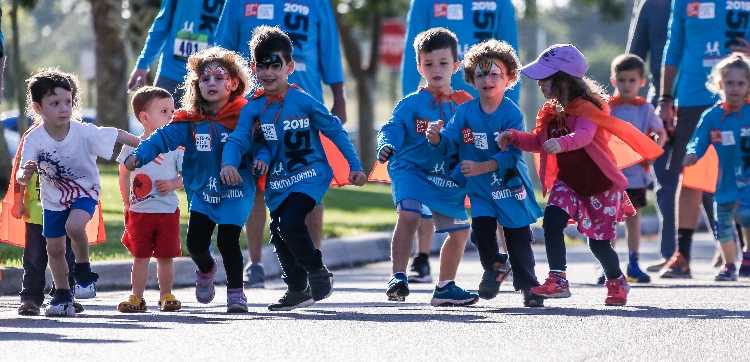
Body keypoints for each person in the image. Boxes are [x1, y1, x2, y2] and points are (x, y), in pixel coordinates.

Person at [497, 44, 663, 306]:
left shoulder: (588, 107)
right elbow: (539, 141)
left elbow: (583, 136)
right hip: (569, 184)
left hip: (600, 185)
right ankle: (558, 279)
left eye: (546, 78)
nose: (540, 83)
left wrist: (562, 143)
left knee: (598, 245)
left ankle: (616, 280)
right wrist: (515, 138)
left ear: (563, 79)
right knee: (551, 222)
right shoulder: (553, 113)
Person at [221, 25, 366, 311]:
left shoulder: (303, 100)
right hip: (279, 181)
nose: (268, 73)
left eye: (276, 65)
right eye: (262, 66)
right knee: (277, 230)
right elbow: (240, 138)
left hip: (311, 174)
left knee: (290, 223)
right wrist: (228, 161)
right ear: (253, 68)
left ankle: (318, 271)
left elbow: (335, 131)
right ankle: (297, 288)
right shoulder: (254, 107)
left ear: (290, 66)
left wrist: (355, 166)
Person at [125, 46, 270, 313]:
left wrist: (262, 158)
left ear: (234, 83)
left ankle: (236, 293)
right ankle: (206, 268)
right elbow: (161, 138)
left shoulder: (246, 116)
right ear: (197, 85)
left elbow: (261, 142)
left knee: (228, 241)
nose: (211, 82)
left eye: (219, 77)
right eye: (205, 78)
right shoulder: (190, 120)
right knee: (196, 245)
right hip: (202, 192)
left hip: (237, 191)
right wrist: (139, 155)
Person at [401, 0, 521, 276]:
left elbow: (510, 56)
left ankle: (510, 254)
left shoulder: (501, 3)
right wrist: (410, 103)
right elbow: (412, 58)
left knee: (495, 177)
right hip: (435, 104)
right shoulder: (425, 3)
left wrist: (506, 112)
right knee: (431, 172)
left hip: (487, 104)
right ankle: (421, 257)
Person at [427, 39, 545, 307]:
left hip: (510, 188)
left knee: (518, 241)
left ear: (509, 78)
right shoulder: (466, 111)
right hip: (480, 190)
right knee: (481, 233)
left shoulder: (512, 114)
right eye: (480, 74)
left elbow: (513, 154)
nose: (487, 79)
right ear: (471, 78)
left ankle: (529, 287)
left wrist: (483, 166)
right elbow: (450, 142)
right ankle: (495, 265)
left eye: (494, 74)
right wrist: (436, 139)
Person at [16, 68, 141, 317]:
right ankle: (62, 295)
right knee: (54, 249)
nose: (64, 108)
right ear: (38, 108)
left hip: (85, 191)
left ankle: (83, 271)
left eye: (68, 102)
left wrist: (149, 144)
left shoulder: (83, 131)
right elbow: (21, 172)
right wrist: (25, 173)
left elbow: (116, 135)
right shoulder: (34, 139)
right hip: (52, 201)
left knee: (74, 227)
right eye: (55, 103)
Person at [375, 28, 476, 306]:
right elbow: (391, 128)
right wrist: (385, 144)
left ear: (456, 65)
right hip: (410, 169)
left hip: (444, 176)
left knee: (460, 230)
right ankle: (398, 276)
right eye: (428, 64)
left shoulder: (467, 106)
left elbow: (475, 138)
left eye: (443, 63)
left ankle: (444, 287)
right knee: (409, 214)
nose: (436, 69)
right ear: (419, 66)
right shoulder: (411, 103)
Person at [656, 0, 750, 278]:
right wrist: (665, 98)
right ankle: (682, 256)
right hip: (694, 95)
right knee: (692, 174)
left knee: (742, 174)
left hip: (744, 98)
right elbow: (673, 48)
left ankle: (742, 256)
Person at [627, 0, 719, 273]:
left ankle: (726, 248)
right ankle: (671, 252)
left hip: (705, 99)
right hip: (661, 104)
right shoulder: (651, 5)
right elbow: (634, 57)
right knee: (667, 183)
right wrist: (629, 107)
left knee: (707, 181)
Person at [116, 86, 184, 312]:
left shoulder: (175, 147)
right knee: (140, 256)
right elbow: (124, 174)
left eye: (172, 110)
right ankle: (137, 297)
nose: (171, 115)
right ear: (144, 117)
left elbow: (188, 176)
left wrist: (173, 184)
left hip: (167, 211)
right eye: (164, 111)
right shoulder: (131, 147)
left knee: (166, 256)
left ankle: (166, 294)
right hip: (140, 211)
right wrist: (127, 203)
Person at [684, 53, 750, 281]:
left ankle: (748, 256)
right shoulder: (712, 116)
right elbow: (699, 139)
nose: (735, 88)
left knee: (746, 214)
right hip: (725, 182)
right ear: (720, 84)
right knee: (722, 224)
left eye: (741, 83)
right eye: (729, 83)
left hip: (748, 180)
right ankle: (729, 265)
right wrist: (693, 153)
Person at [605, 54, 667, 284]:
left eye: (632, 80)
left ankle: (633, 263)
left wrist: (652, 154)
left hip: (637, 176)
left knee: (634, 220)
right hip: (610, 175)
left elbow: (661, 133)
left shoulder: (646, 109)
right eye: (622, 80)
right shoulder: (608, 108)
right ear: (614, 81)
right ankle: (608, 265)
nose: (627, 85)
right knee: (609, 220)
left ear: (641, 82)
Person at [10, 123, 83, 316]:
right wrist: (18, 203)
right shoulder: (31, 139)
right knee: (34, 258)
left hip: (63, 213)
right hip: (36, 214)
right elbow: (20, 177)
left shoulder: (73, 139)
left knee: (68, 256)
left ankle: (65, 294)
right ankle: (30, 298)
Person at [127, 0, 226, 103]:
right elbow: (162, 24)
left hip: (208, 80)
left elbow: (233, 35)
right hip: (170, 75)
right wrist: (143, 63)